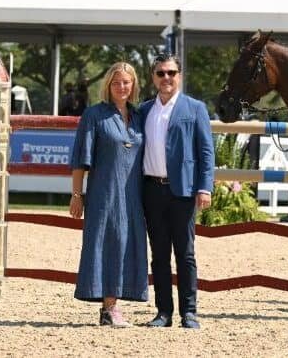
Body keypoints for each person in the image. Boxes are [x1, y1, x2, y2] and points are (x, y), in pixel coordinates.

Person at [68, 62, 150, 327]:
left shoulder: (139, 116)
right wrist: (77, 194)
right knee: (106, 244)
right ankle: (109, 308)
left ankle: (113, 307)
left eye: (127, 82)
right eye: (117, 82)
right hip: (104, 192)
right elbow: (81, 158)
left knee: (128, 245)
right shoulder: (94, 115)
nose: (122, 87)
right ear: (108, 86)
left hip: (133, 195)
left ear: (134, 85)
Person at [139, 54, 214, 329]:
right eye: (161, 73)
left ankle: (190, 312)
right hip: (151, 190)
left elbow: (206, 152)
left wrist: (205, 187)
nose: (166, 78)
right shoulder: (144, 110)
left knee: (186, 254)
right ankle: (163, 312)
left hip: (183, 191)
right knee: (158, 254)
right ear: (153, 77)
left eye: (171, 72)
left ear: (179, 75)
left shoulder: (195, 108)